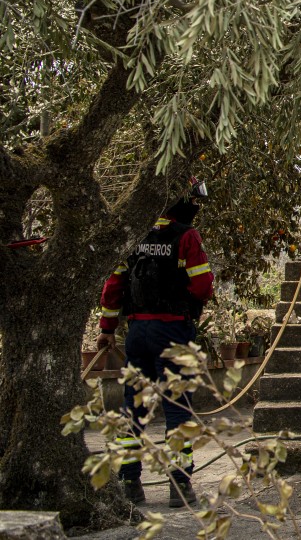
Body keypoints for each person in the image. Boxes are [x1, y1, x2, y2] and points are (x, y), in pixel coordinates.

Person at [97, 176, 214, 507]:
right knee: (177, 408)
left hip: (137, 334)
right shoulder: (186, 236)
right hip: (174, 331)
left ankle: (130, 483)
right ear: (180, 200)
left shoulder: (135, 235)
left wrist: (107, 328)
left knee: (133, 408)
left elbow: (114, 285)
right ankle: (179, 486)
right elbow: (203, 286)